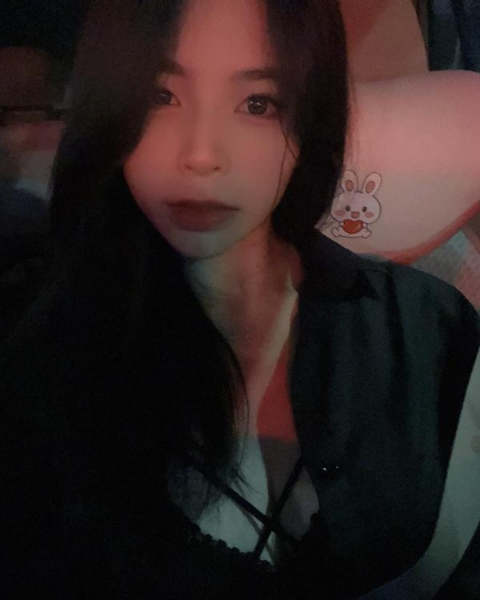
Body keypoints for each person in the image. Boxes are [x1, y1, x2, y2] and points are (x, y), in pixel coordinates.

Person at [0, 0, 478, 598]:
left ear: (311, 119)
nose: (201, 155)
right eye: (160, 96)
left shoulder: (429, 328)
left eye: (257, 103)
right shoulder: (41, 354)